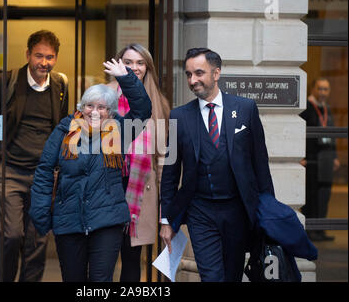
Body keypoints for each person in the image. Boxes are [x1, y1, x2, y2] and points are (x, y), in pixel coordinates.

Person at [29, 58, 152, 282]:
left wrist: (126, 78)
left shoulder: (120, 131)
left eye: (102, 107)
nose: (94, 112)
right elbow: (45, 171)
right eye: (89, 105)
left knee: (100, 281)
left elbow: (143, 110)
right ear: (81, 107)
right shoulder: (64, 129)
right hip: (69, 221)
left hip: (107, 221)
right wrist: (41, 215)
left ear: (111, 112)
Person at [159, 48, 275, 282]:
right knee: (211, 276)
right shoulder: (179, 116)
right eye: (189, 75)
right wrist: (166, 220)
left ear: (216, 73)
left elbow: (261, 165)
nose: (193, 80)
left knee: (231, 276)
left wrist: (269, 214)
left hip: (238, 211)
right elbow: (170, 172)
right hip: (200, 212)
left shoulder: (245, 109)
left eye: (199, 73)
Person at [0, 30, 69, 282]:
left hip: (42, 176)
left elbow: (62, 129)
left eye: (50, 57)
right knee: (10, 236)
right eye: (39, 56)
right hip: (10, 172)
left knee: (37, 241)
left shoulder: (60, 85)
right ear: (28, 54)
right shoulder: (7, 81)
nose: (44, 62)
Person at [106, 44, 170, 282]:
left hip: (140, 190)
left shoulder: (159, 104)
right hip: (109, 187)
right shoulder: (104, 96)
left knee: (132, 260)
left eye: (140, 62)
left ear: (148, 67)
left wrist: (166, 209)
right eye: (128, 62)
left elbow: (163, 159)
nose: (134, 67)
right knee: (104, 258)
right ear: (118, 64)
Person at [299, 78, 340, 241]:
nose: (323, 92)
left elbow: (332, 134)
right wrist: (301, 156)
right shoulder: (307, 109)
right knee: (311, 195)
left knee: (324, 195)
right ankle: (310, 230)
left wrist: (335, 156)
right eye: (320, 89)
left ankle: (320, 230)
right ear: (313, 89)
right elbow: (300, 134)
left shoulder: (327, 109)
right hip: (311, 160)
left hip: (326, 159)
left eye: (326, 89)